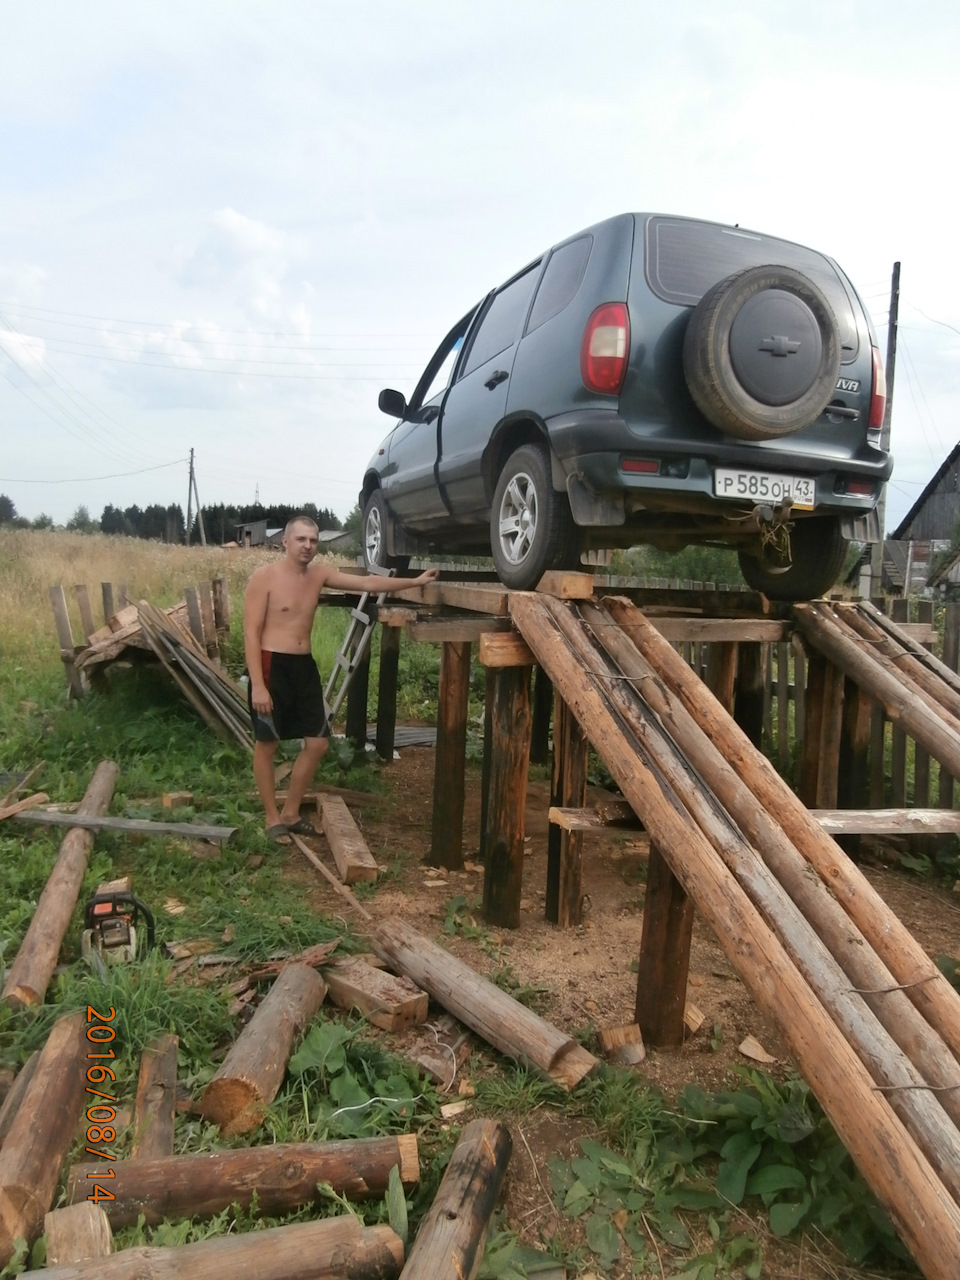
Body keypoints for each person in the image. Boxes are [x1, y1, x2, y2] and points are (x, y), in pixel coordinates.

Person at [243, 515, 439, 840]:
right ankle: (271, 817)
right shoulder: (263, 578)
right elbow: (250, 634)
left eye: (314, 541)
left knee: (318, 743)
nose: (308, 546)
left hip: (303, 667)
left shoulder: (319, 574)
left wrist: (415, 581)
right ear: (286, 542)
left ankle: (291, 813)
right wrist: (259, 686)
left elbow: (368, 584)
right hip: (270, 664)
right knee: (268, 743)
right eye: (302, 539)